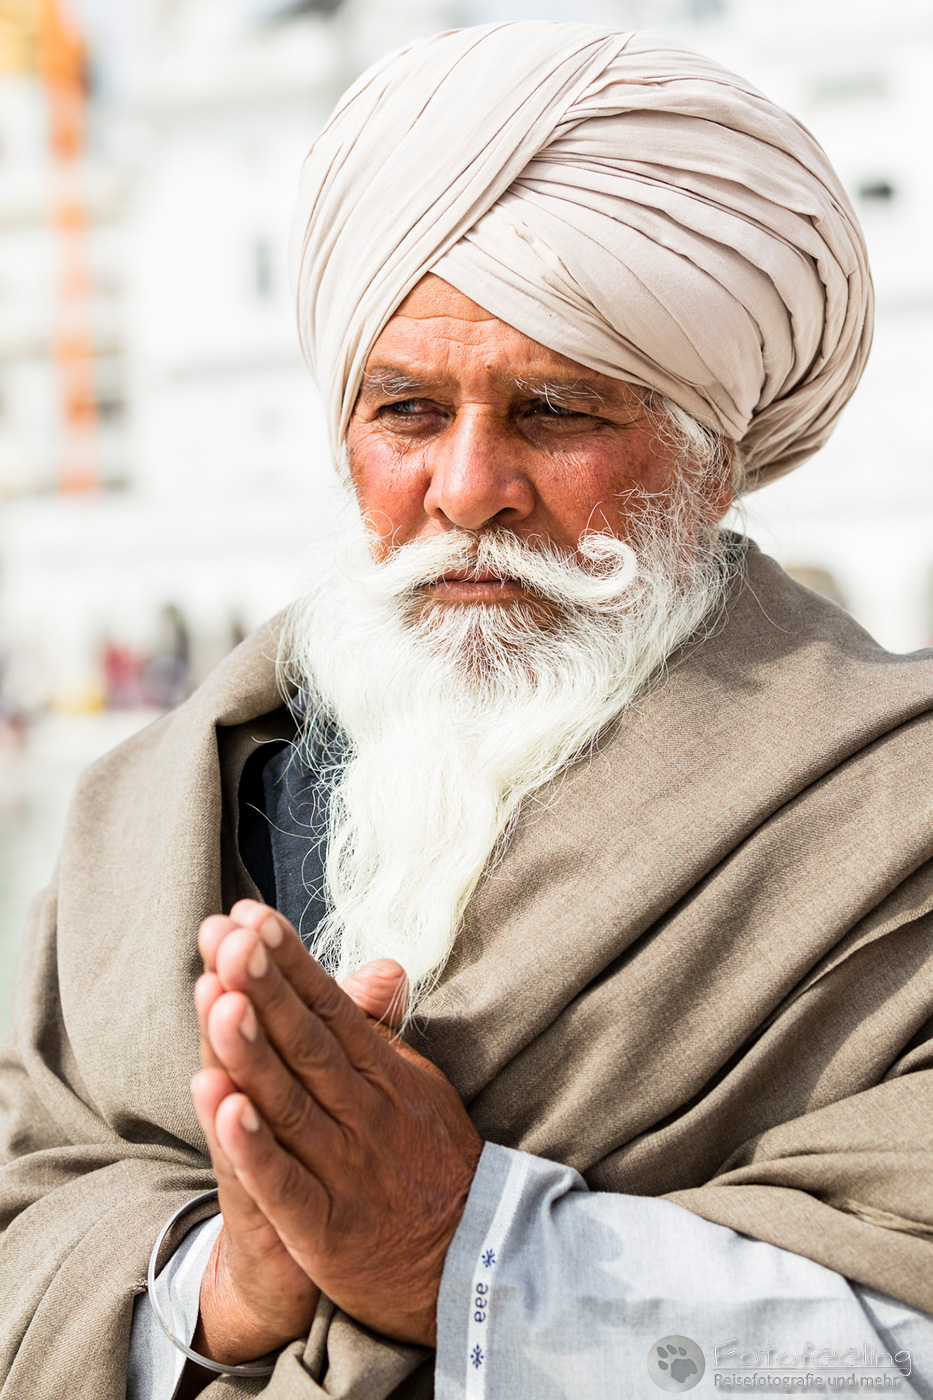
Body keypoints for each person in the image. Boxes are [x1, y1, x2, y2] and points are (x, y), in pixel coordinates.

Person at [1, 22, 932, 1400]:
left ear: (718, 457)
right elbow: (37, 1207)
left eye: (553, 412)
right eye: (406, 413)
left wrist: (471, 1254)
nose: (465, 489)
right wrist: (220, 1280)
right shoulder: (149, 812)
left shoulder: (890, 819)